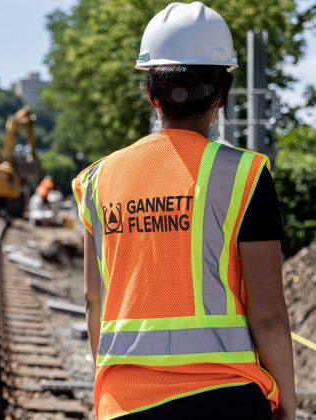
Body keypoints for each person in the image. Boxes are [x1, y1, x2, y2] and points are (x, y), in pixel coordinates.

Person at [72, 2, 296, 419]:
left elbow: (92, 299)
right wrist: (287, 401)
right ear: (223, 94)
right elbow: (267, 314)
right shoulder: (245, 176)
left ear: (151, 94)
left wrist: (110, 389)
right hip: (227, 400)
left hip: (125, 402)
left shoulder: (97, 180)